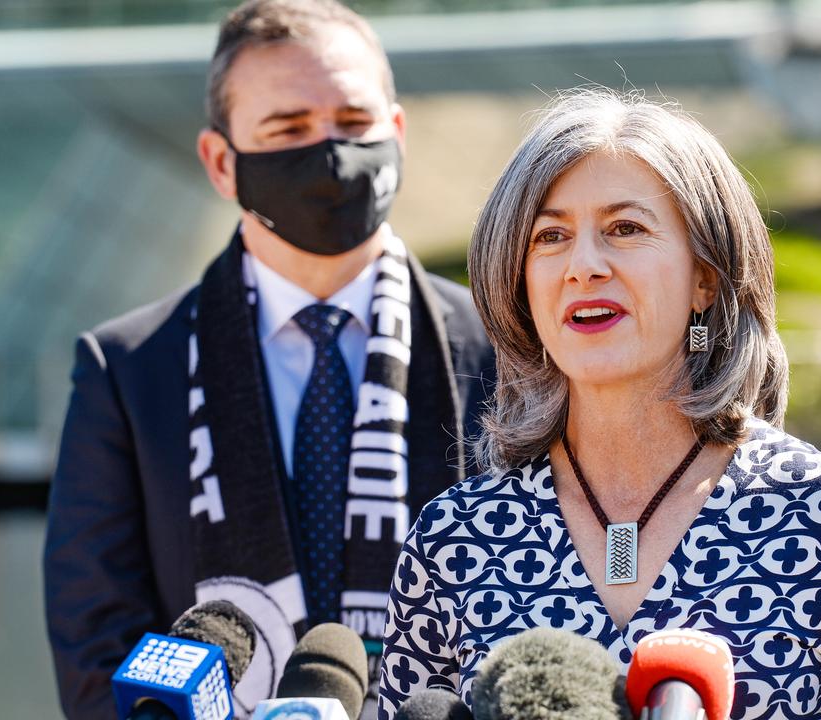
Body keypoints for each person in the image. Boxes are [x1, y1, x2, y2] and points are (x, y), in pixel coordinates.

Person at [377, 89, 821, 720]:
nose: (583, 265)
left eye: (625, 228)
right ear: (519, 280)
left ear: (706, 276)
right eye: (551, 236)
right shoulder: (455, 541)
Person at [42, 1, 495, 717]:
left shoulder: (505, 347)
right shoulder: (128, 369)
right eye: (288, 129)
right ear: (222, 163)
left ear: (397, 133)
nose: (331, 154)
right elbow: (96, 652)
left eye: (353, 123)